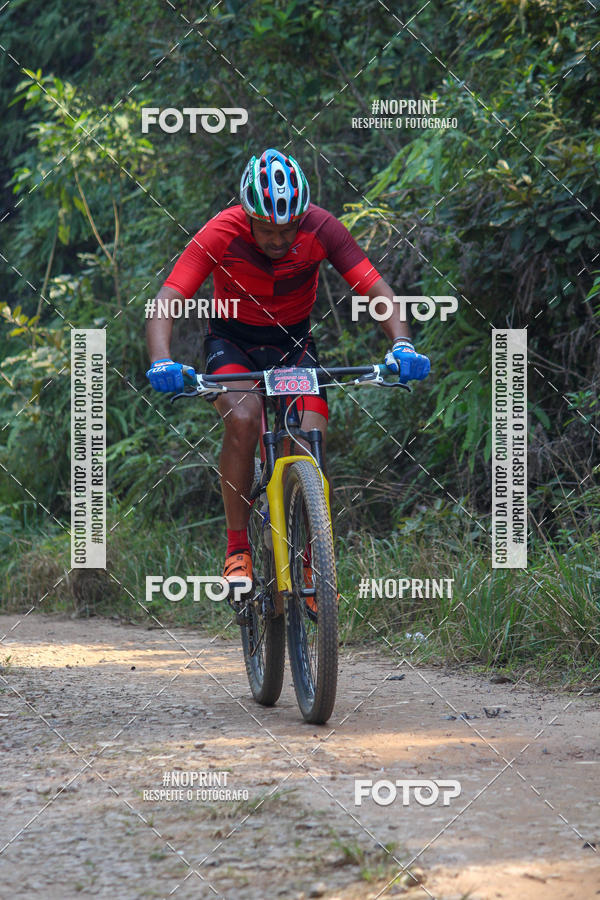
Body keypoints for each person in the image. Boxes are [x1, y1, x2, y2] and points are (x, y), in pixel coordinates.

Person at [146, 148, 430, 586]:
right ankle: (238, 549)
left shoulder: (322, 228)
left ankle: (311, 557)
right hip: (232, 342)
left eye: (288, 229)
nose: (279, 240)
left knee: (308, 433)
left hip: (294, 344)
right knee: (243, 418)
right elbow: (168, 299)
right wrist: (162, 359)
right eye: (268, 229)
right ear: (248, 214)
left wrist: (403, 345)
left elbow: (376, 288)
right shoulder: (222, 231)